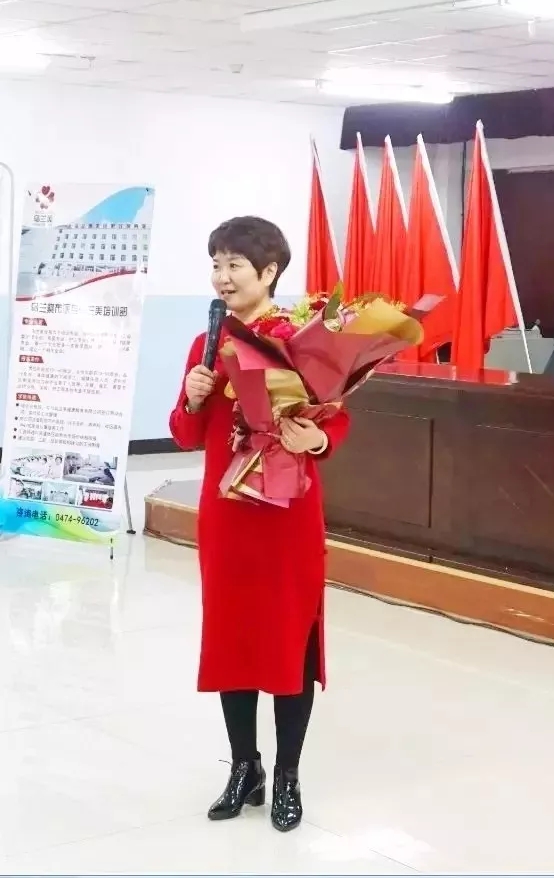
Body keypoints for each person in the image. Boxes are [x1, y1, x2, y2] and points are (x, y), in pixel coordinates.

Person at [169, 216, 350, 833]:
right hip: (227, 515)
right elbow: (186, 434)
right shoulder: (207, 343)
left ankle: (288, 775)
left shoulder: (300, 340)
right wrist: (193, 397)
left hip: (286, 516)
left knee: (288, 640)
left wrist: (316, 439)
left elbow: (335, 420)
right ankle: (245, 767)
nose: (222, 277)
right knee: (234, 639)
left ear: (269, 271)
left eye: (234, 265)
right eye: (215, 264)